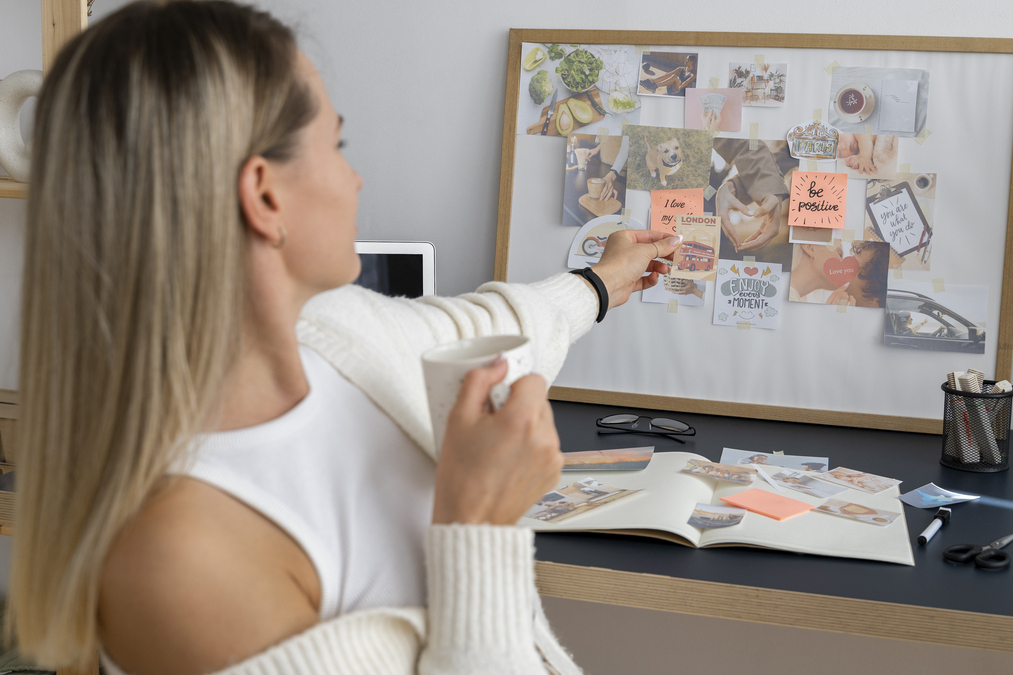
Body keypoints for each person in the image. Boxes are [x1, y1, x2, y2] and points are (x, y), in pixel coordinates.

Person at [7, 2, 680, 674]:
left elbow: (493, 324)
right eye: (338, 145)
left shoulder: (335, 330)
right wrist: (476, 528)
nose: (353, 177)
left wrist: (601, 279)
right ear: (264, 196)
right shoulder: (177, 560)